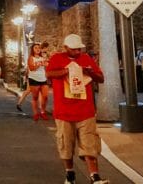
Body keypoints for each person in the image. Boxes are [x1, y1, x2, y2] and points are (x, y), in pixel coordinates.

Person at [46, 34, 108, 184]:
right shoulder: (57, 58)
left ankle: (95, 177)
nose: (77, 52)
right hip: (64, 111)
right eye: (73, 49)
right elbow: (49, 74)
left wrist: (89, 71)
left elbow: (101, 78)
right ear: (66, 48)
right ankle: (70, 174)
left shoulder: (86, 59)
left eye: (79, 49)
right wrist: (67, 71)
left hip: (85, 111)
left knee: (90, 145)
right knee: (66, 145)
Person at [27, 42, 50, 120]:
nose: (37, 49)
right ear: (33, 50)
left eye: (39, 48)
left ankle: (43, 112)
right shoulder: (31, 58)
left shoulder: (43, 57)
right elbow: (31, 68)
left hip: (43, 79)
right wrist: (39, 64)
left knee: (45, 96)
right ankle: (35, 113)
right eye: (35, 48)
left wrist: (47, 64)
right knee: (35, 97)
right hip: (34, 79)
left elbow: (47, 65)